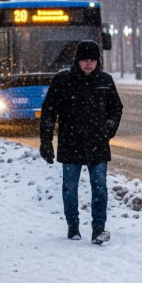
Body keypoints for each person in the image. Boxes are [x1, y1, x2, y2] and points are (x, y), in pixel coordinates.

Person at [39, 40, 122, 245]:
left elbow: (116, 108)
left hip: (98, 143)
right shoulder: (63, 80)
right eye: (85, 60)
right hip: (70, 142)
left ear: (97, 61)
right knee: (69, 187)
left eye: (93, 60)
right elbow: (49, 111)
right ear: (77, 60)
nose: (89, 64)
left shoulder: (105, 80)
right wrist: (46, 141)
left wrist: (108, 130)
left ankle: (98, 229)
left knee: (100, 186)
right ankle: (73, 226)